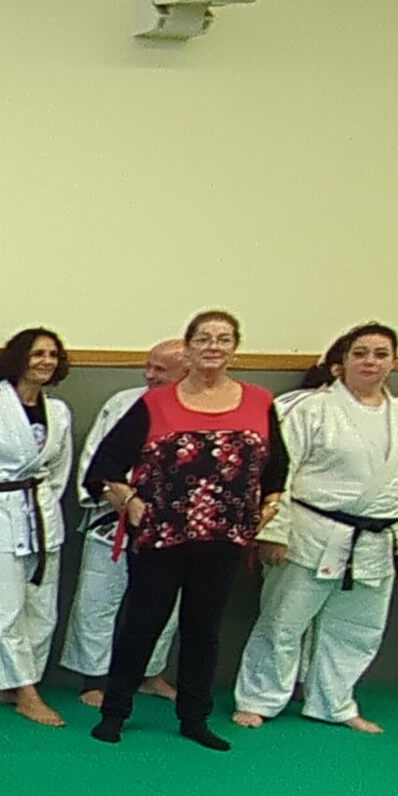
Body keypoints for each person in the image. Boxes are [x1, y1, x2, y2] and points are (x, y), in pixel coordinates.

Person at [85, 309, 285, 750]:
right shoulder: (155, 404)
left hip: (225, 537)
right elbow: (104, 467)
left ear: (235, 348)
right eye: (204, 339)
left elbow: (277, 467)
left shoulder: (259, 402)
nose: (214, 346)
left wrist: (269, 506)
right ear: (189, 348)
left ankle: (195, 718)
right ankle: (114, 712)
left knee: (203, 629)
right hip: (162, 536)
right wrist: (129, 501)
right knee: (142, 624)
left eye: (223, 339)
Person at [233, 324, 398, 733]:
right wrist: (274, 532)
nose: (370, 362)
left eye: (380, 354)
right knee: (283, 621)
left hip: (379, 538)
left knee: (358, 628)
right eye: (360, 353)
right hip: (312, 530)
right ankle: (259, 699)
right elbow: (279, 474)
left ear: (393, 362)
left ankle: (334, 702)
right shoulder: (310, 409)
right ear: (340, 363)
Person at [0, 327, 75, 727]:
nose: (46, 361)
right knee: (3, 607)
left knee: (42, 609)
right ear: (18, 358)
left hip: (41, 510)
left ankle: (22, 682)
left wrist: (45, 500)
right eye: (37, 354)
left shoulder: (58, 411)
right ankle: (24, 690)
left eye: (52, 355)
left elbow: (59, 469)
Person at [64, 340, 187, 708]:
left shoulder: (201, 410)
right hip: (114, 516)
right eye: (148, 366)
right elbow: (96, 457)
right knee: (98, 598)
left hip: (174, 522)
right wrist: (108, 493)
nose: (149, 375)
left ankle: (150, 673)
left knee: (166, 603)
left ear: (188, 370)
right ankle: (94, 678)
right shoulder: (123, 403)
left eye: (160, 370)